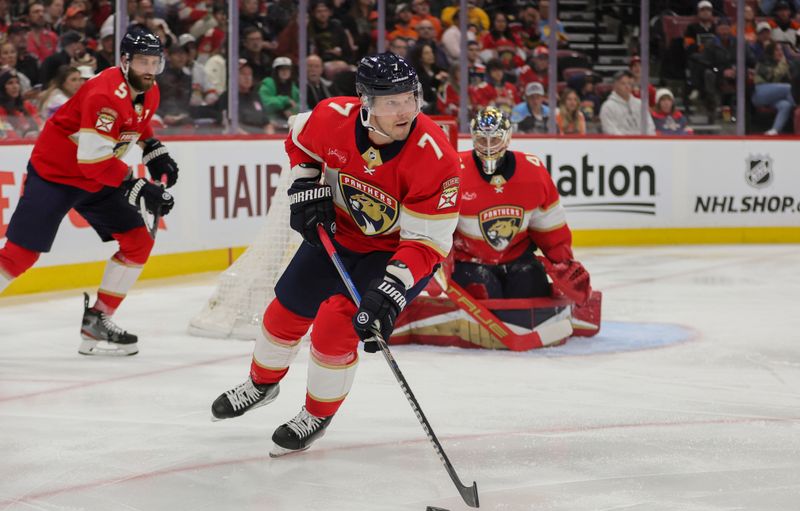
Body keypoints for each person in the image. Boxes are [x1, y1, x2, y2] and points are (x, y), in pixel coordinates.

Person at [210, 52, 461, 457]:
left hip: (395, 254)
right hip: (339, 236)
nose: (404, 111)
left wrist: (391, 290)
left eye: (410, 98)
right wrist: (307, 184)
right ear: (365, 103)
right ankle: (261, 383)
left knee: (335, 326)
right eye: (390, 101)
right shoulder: (330, 117)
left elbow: (426, 243)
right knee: (285, 308)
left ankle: (316, 414)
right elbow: (298, 143)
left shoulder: (436, 158)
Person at [0, 26, 179, 356]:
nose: (150, 70)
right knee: (19, 256)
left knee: (139, 241)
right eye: (143, 62)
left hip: (96, 178)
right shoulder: (103, 95)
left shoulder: (147, 89)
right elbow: (92, 161)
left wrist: (153, 147)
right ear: (124, 61)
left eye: (155, 63)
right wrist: (139, 186)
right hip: (55, 175)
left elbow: (136, 120)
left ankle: (97, 321)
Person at [449, 107, 590, 334]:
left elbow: (550, 227)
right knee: (484, 293)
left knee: (530, 289)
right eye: (481, 139)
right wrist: (439, 264)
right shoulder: (455, 170)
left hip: (518, 258)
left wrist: (563, 263)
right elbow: (438, 224)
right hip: (470, 261)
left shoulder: (533, 172)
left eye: (494, 138)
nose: (487, 145)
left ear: (507, 137)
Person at [752, 41, 796, 135]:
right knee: (788, 88)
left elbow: (792, 78)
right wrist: (783, 63)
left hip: (776, 95)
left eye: (781, 50)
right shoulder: (763, 62)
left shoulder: (784, 63)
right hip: (760, 93)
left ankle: (774, 130)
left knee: (785, 105)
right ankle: (797, 108)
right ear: (770, 52)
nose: (780, 52)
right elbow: (772, 76)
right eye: (777, 50)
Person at [599, 70, 655, 135]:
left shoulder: (640, 104)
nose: (627, 86)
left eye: (629, 83)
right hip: (620, 143)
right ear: (614, 85)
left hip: (643, 142)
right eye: (623, 83)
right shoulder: (608, 107)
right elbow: (609, 130)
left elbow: (650, 127)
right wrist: (628, 141)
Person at [259, 55, 299, 132]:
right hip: (271, 122)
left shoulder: (293, 87)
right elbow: (264, 101)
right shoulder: (268, 84)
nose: (285, 72)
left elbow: (301, 105)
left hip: (290, 123)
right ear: (276, 71)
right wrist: (285, 101)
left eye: (287, 69)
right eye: (281, 69)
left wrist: (292, 111)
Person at [0, 68, 43, 138]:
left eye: (17, 82)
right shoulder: (1, 109)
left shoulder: (26, 105)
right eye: (10, 83)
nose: (15, 86)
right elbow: (6, 133)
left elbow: (40, 124)